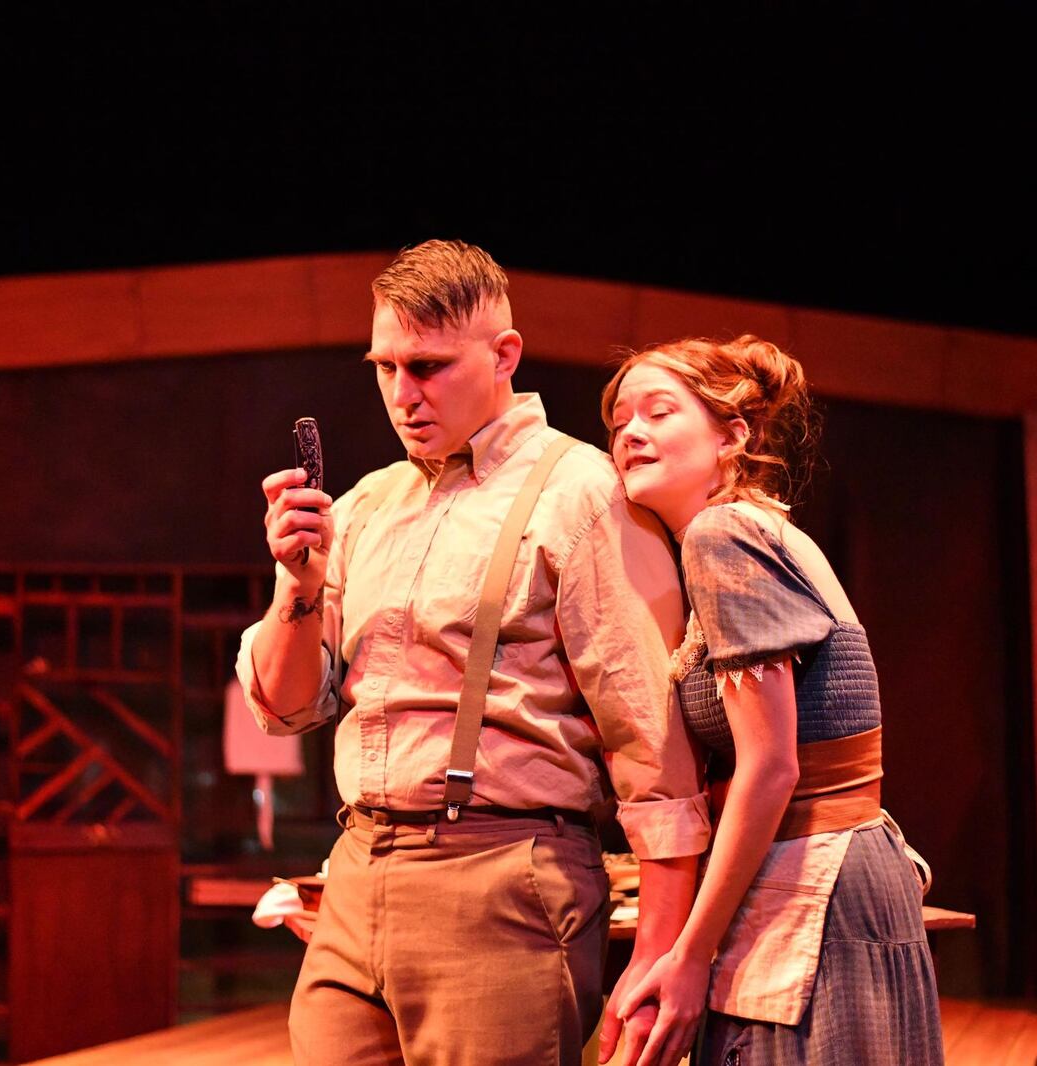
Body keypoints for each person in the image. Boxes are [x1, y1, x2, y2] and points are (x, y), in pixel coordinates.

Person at [238, 240, 711, 1066]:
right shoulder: (368, 505)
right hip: (356, 874)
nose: (400, 393)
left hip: (502, 883)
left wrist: (663, 955)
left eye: (426, 367)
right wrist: (297, 583)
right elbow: (283, 710)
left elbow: (653, 748)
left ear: (504, 356)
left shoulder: (579, 492)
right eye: (384, 367)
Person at [601, 336, 943, 1065]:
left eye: (659, 412)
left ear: (733, 435)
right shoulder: (761, 528)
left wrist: (690, 956)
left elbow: (772, 767)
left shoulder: (723, 535)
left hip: (817, 873)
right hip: (847, 857)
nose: (631, 432)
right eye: (619, 420)